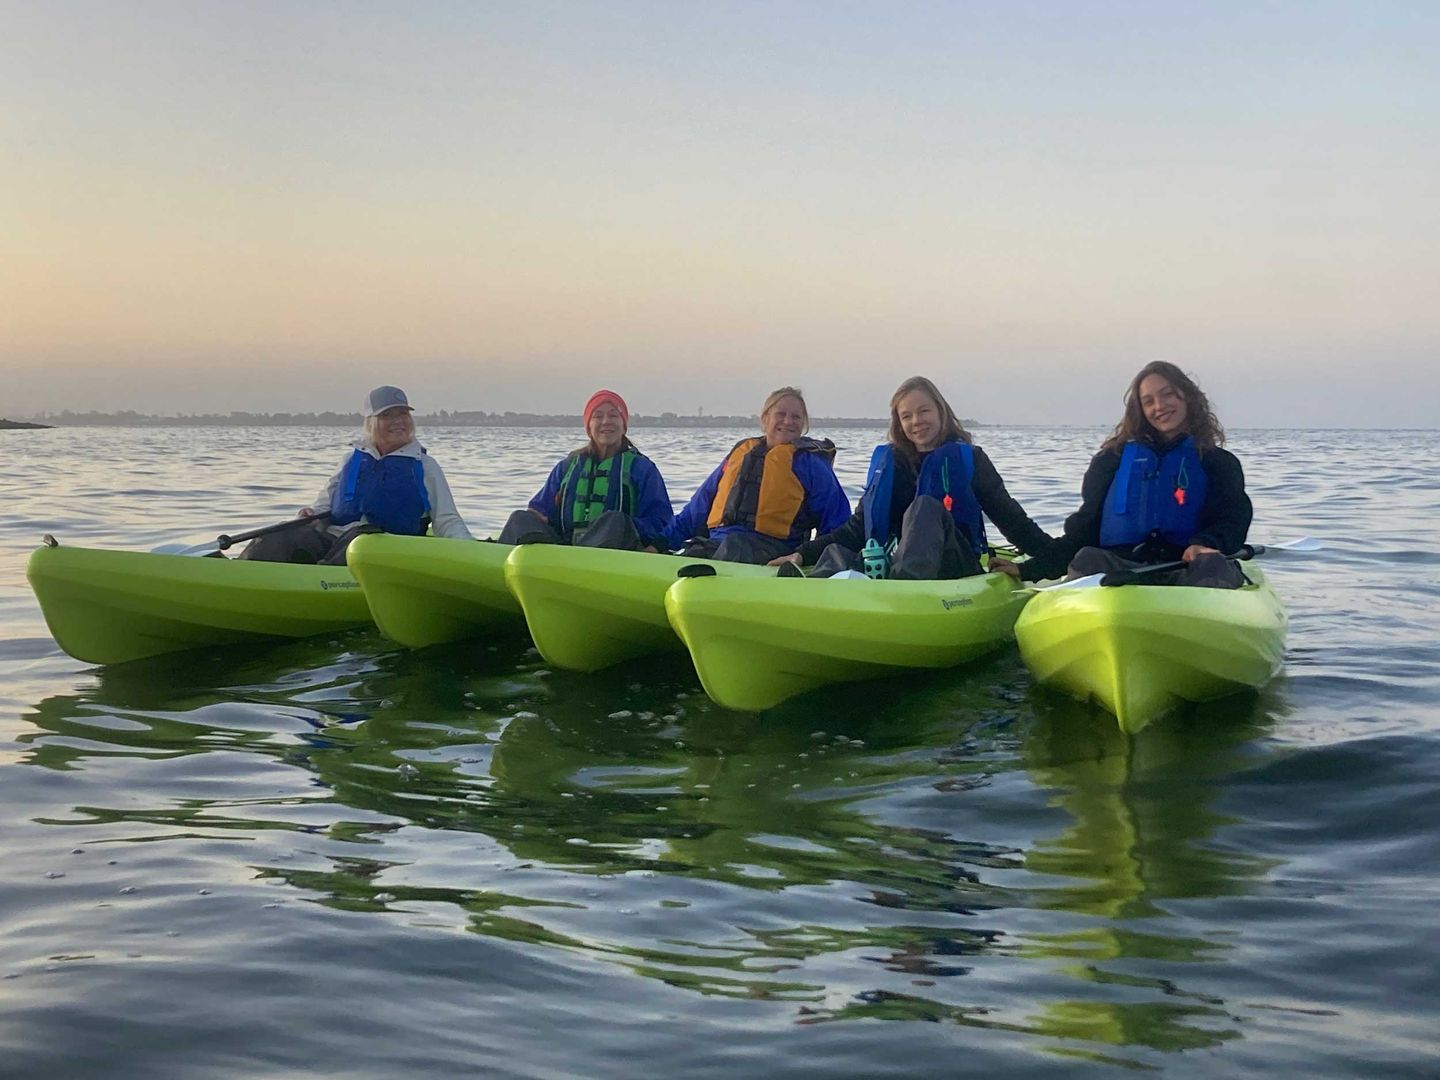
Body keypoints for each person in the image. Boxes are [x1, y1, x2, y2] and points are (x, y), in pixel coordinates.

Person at [993, 361, 1250, 588]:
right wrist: (1030, 570)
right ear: (1139, 410)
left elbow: (1232, 520)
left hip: (1186, 571)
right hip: (1123, 571)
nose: (1159, 406)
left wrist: (1205, 543)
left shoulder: (1218, 462)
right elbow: (1084, 533)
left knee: (1212, 564)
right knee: (1088, 558)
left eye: (1167, 394)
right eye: (1148, 401)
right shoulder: (1110, 461)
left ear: (1188, 397)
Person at [772, 376, 1054, 579]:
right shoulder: (890, 463)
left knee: (925, 508)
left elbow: (1012, 519)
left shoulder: (971, 460)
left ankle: (897, 588)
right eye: (906, 416)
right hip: (891, 563)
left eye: (923, 411)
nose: (916, 421)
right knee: (837, 551)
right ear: (899, 423)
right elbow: (857, 529)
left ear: (941, 412)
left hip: (953, 566)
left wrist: (1051, 562)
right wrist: (802, 553)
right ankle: (814, 592)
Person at [240, 385, 472, 564]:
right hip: (336, 542)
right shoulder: (352, 460)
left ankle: (319, 581)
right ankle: (242, 571)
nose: (399, 421)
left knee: (361, 538)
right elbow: (322, 508)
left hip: (386, 551)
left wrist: (469, 554)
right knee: (284, 531)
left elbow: (447, 520)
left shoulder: (425, 466)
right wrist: (310, 515)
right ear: (371, 422)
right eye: (388, 415)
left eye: (403, 414)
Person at [668, 386, 851, 564]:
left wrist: (814, 558)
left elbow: (836, 521)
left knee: (735, 547)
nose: (788, 421)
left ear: (803, 424)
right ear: (765, 419)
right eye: (781, 414)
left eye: (796, 417)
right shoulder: (741, 453)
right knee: (694, 551)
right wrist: (657, 542)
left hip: (773, 553)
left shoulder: (810, 464)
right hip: (718, 546)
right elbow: (696, 510)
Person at [497, 389, 673, 551]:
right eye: (598, 416)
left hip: (617, 551)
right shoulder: (567, 466)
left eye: (613, 415)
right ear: (589, 426)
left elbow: (662, 521)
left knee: (614, 520)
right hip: (565, 547)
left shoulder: (642, 468)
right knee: (519, 518)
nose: (606, 422)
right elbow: (539, 509)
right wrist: (538, 517)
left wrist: (628, 526)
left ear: (623, 424)